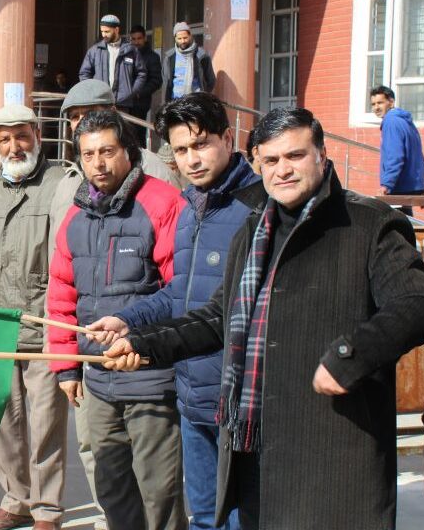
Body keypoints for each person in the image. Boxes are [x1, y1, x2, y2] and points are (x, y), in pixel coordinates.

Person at [102, 108, 424, 529]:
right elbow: (218, 318)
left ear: (322, 155)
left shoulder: (372, 224)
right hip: (257, 451)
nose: (283, 170)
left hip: (334, 452)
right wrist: (143, 343)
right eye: (271, 161)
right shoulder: (255, 229)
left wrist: (351, 356)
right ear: (257, 162)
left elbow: (415, 303)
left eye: (294, 156)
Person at [88, 93, 259, 530]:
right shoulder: (188, 208)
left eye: (200, 145)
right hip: (192, 392)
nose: (191, 160)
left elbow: (236, 311)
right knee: (203, 517)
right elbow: (178, 293)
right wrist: (129, 319)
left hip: (240, 399)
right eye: (181, 150)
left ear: (227, 138)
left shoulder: (259, 208)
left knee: (241, 520)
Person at [50, 79, 181, 530]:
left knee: (160, 491)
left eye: (106, 152)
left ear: (127, 150)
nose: (98, 163)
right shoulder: (75, 214)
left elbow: (179, 291)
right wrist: (66, 364)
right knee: (110, 485)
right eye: (88, 155)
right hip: (98, 379)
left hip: (151, 376)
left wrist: (138, 335)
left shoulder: (163, 203)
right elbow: (61, 293)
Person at [0, 105, 69, 530]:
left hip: (43, 323)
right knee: (4, 424)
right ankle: (15, 500)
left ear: (37, 134)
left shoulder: (60, 184)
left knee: (45, 424)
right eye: (4, 139)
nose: (14, 146)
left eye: (21, 136)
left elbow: (68, 256)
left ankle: (47, 510)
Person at [79, 14, 148, 126]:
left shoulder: (131, 50)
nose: (104, 35)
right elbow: (84, 74)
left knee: (121, 136)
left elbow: (142, 73)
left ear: (116, 29)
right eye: (102, 31)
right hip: (100, 102)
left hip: (123, 104)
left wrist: (132, 91)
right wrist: (92, 92)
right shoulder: (94, 51)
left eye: (107, 31)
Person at [371, 85, 424, 214]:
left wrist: (387, 184)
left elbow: (395, 156)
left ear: (391, 102)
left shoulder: (391, 122)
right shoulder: (406, 122)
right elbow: (420, 156)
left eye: (380, 102)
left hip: (398, 187)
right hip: (410, 187)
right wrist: (423, 186)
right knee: (407, 226)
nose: (376, 108)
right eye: (373, 104)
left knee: (396, 228)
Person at [163, 22, 215, 103]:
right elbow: (166, 80)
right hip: (175, 101)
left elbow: (210, 80)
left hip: (196, 101)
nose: (183, 41)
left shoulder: (201, 55)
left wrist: (203, 95)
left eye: (185, 38)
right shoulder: (169, 57)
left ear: (190, 36)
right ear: (175, 38)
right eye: (179, 39)